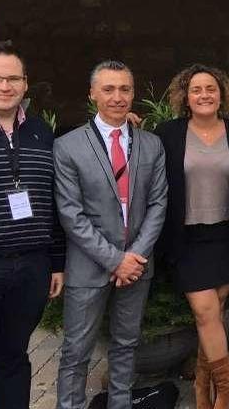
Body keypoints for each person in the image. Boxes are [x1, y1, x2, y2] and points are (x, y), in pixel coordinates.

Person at [54, 60, 168, 409]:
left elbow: (158, 203)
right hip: (90, 266)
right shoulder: (68, 146)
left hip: (137, 264)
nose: (118, 97)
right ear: (92, 94)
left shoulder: (151, 145)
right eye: (108, 89)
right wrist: (116, 259)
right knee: (76, 350)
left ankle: (120, 403)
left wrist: (134, 257)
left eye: (125, 89)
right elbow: (70, 214)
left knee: (126, 344)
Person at [155, 64, 229, 409]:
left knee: (212, 315)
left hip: (227, 238)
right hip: (186, 240)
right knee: (204, 312)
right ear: (185, 96)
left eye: (210, 89)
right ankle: (226, 392)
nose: (204, 95)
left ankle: (203, 387)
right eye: (196, 89)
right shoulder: (167, 134)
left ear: (221, 94)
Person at [0, 41, 65, 408]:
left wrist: (56, 262)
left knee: (14, 358)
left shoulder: (42, 133)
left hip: (31, 266)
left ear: (26, 84)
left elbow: (54, 200)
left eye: (13, 78)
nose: (4, 86)